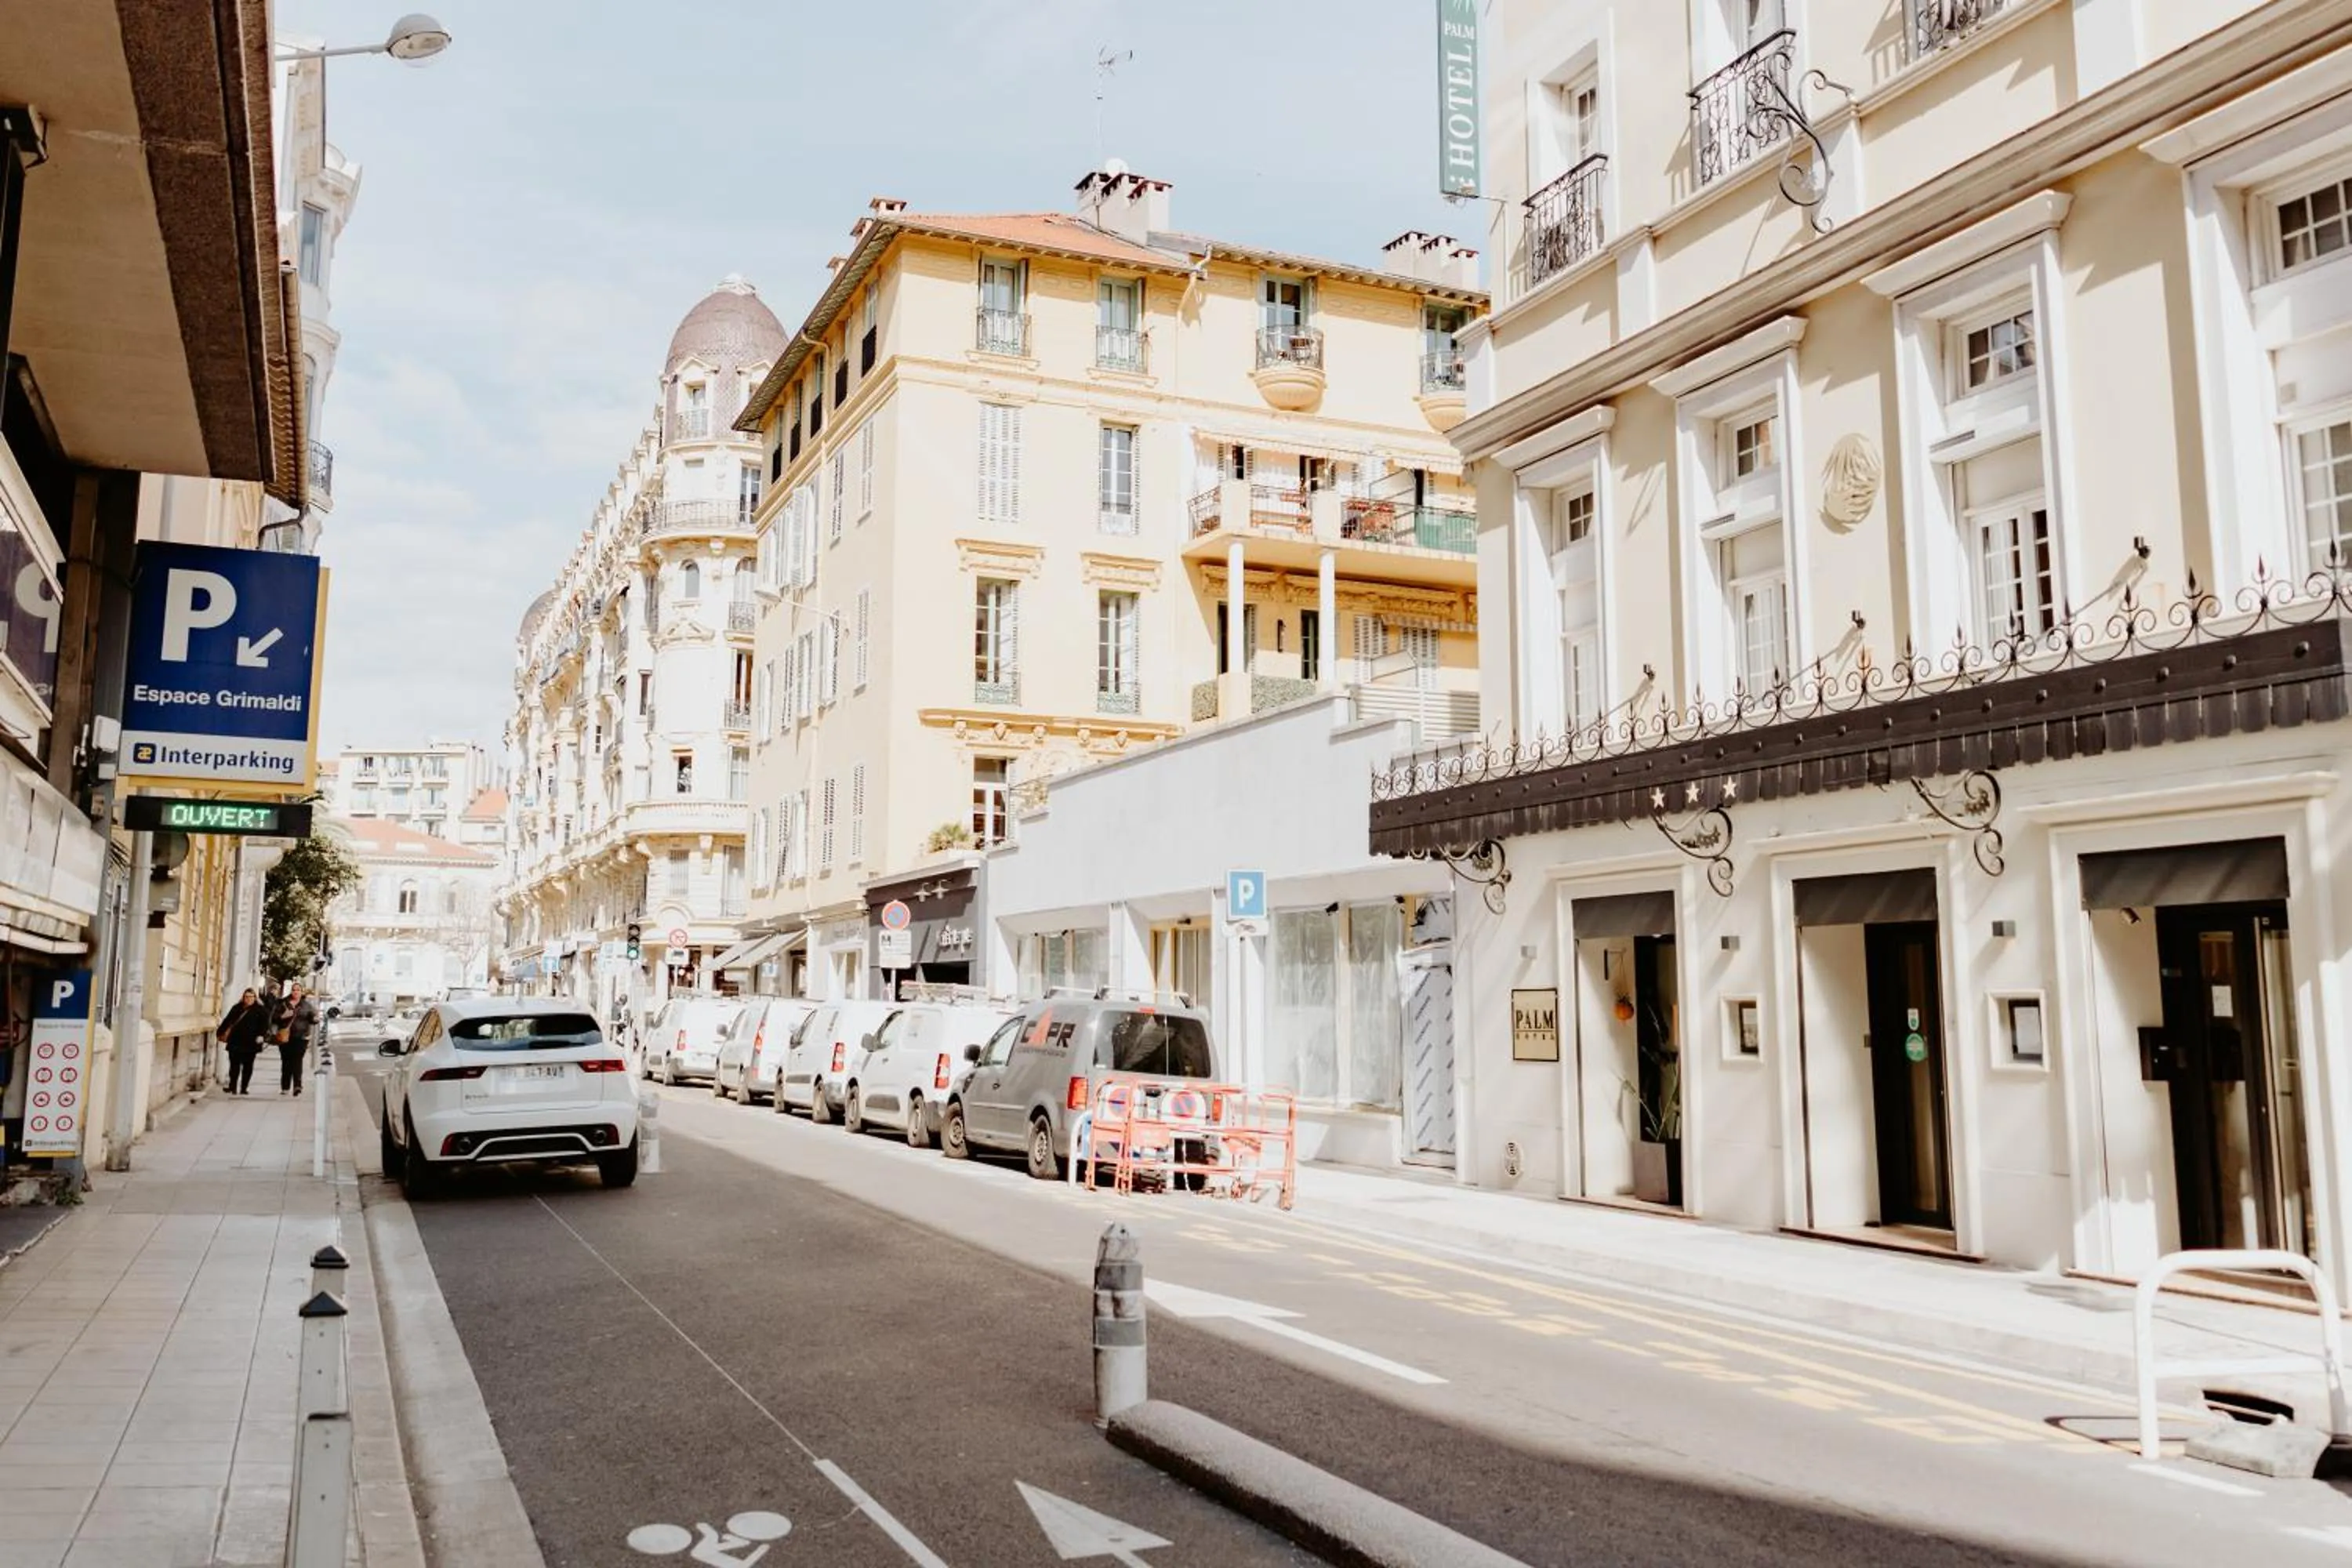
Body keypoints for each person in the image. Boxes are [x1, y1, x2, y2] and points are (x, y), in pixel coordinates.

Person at [216, 988, 269, 1095]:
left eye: (251, 997)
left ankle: (244, 1088)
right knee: (234, 1066)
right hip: (235, 1041)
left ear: (255, 998)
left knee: (247, 1066)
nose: (248, 999)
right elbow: (228, 1020)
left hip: (251, 1043)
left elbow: (264, 1025)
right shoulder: (237, 1008)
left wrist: (261, 1035)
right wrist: (220, 1032)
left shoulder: (260, 1010)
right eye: (246, 997)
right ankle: (233, 1086)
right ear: (243, 997)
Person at [273, 984, 319, 1095]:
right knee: (286, 1061)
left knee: (297, 1060)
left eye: (298, 990)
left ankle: (297, 1086)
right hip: (285, 1036)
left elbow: (312, 1019)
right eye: (294, 990)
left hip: (301, 1037)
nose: (296, 992)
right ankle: (285, 1087)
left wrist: (315, 1019)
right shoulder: (282, 1003)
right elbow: (273, 1018)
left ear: (301, 992)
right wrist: (283, 1016)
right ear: (291, 991)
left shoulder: (307, 1005)